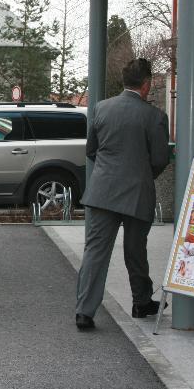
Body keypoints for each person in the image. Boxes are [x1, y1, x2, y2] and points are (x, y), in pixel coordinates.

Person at [75, 58, 170, 330]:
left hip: (102, 192)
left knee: (95, 251)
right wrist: (142, 173)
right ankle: (141, 302)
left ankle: (84, 312)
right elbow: (161, 158)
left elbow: (91, 149)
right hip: (137, 193)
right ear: (146, 84)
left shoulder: (101, 109)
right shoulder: (154, 116)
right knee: (135, 250)